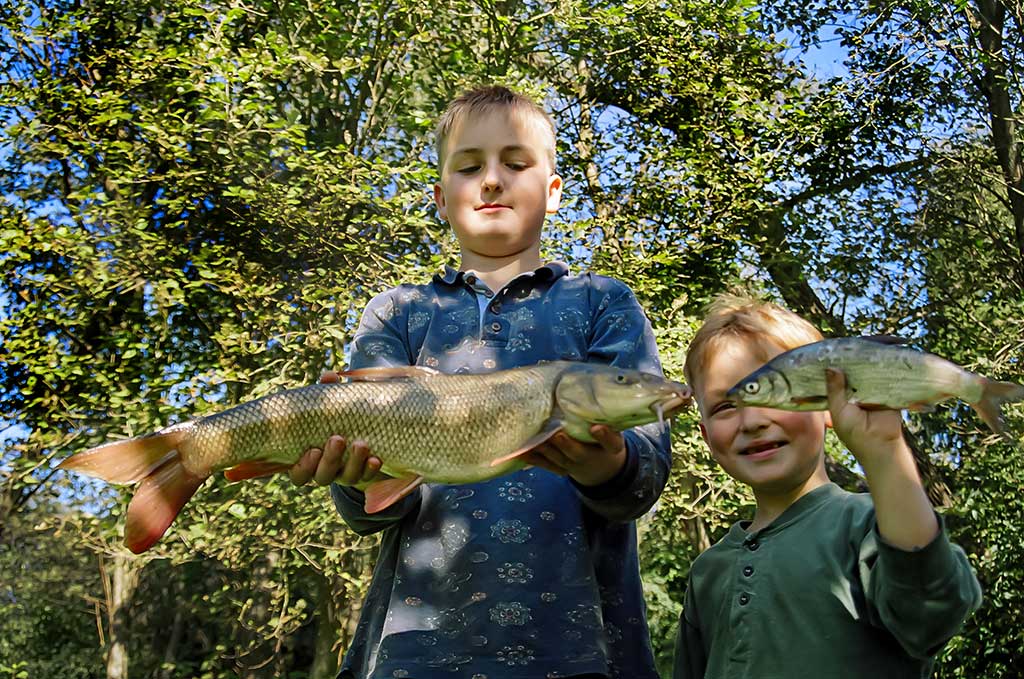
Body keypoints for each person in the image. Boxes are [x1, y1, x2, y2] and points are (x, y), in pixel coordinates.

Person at [290, 85, 674, 679]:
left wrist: (605, 464)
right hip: (414, 651)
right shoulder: (397, 312)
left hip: (579, 647)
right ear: (441, 198)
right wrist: (352, 477)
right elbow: (368, 513)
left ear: (552, 190)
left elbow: (643, 479)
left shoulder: (603, 302)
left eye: (515, 164)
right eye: (470, 167)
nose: (491, 180)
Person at [673, 293, 983, 678]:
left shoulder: (874, 523)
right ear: (704, 434)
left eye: (778, 391)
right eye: (725, 406)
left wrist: (885, 454)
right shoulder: (707, 570)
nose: (751, 420)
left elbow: (930, 615)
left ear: (827, 405)